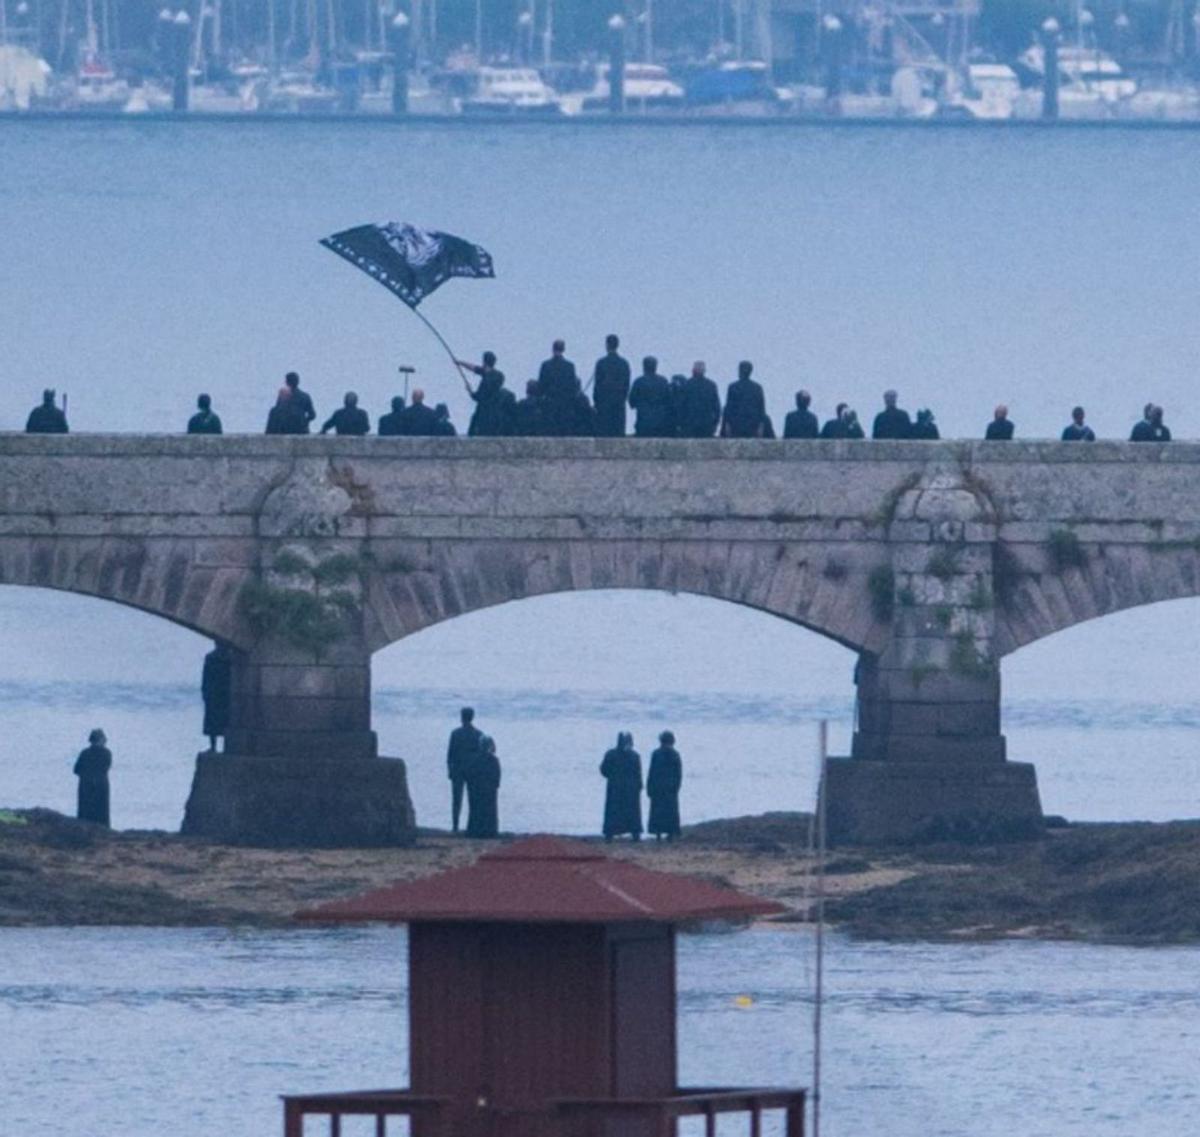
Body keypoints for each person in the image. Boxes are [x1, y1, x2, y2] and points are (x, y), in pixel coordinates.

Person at [600, 731, 643, 842]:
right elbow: (638, 773)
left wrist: (612, 776)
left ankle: (610, 834)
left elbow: (604, 770)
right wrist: (639, 785)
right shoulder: (634, 756)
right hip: (630, 788)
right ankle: (635, 834)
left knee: (613, 812)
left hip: (615, 787)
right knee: (632, 812)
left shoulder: (611, 754)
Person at [446, 707, 482, 834]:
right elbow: (480, 755)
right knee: (473, 800)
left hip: (458, 770)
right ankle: (471, 827)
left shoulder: (455, 733)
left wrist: (449, 770)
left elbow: (450, 754)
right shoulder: (478, 734)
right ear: (472, 717)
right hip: (472, 771)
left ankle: (455, 826)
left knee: (456, 800)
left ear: (462, 717)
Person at [459, 351, 511, 437]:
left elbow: (478, 397)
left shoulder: (486, 380)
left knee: (474, 433)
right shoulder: (499, 375)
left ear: (484, 362)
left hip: (483, 413)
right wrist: (461, 363)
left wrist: (469, 390)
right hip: (496, 412)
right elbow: (475, 368)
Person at [592, 333, 631, 437]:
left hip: (604, 405)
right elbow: (626, 386)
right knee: (618, 434)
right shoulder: (624, 364)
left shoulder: (601, 363)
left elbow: (597, 385)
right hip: (618, 404)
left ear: (607, 345)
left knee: (604, 434)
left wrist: (596, 402)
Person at [646, 731, 683, 842]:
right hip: (670, 788)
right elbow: (679, 774)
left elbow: (651, 772)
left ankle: (658, 834)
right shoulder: (675, 754)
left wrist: (649, 787)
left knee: (657, 812)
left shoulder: (656, 754)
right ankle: (670, 834)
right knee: (670, 812)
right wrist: (677, 787)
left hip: (658, 787)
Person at [73, 728, 112, 827]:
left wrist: (86, 775)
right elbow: (106, 767)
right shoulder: (107, 753)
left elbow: (76, 770)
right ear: (100, 740)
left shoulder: (85, 753)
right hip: (101, 785)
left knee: (85, 813)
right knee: (102, 813)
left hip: (85, 785)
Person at [465, 735, 502, 839]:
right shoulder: (493, 760)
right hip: (488, 790)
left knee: (476, 811)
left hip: (477, 790)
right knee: (489, 811)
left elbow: (469, 775)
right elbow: (497, 777)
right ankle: (489, 831)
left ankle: (475, 831)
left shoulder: (474, 759)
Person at [628, 356, 674, 438]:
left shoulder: (638, 382)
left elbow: (631, 403)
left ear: (644, 367)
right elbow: (669, 402)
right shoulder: (663, 381)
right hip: (661, 424)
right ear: (656, 367)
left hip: (642, 423)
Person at [721, 360, 767, 438]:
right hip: (752, 424)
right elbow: (761, 408)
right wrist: (761, 425)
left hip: (736, 424)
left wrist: (727, 424)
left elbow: (729, 407)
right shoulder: (757, 388)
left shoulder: (733, 387)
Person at [676, 361, 722, 439]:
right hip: (706, 425)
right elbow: (717, 408)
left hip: (689, 426)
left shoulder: (687, 385)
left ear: (693, 370)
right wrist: (715, 424)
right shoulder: (711, 386)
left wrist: (681, 424)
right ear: (704, 371)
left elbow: (681, 406)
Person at [201, 643, 233, 753]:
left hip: (214, 693)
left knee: (213, 723)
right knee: (225, 720)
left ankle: (213, 747)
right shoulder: (230, 659)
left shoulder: (211, 658)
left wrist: (205, 692)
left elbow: (205, 678)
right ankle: (224, 747)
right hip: (224, 693)